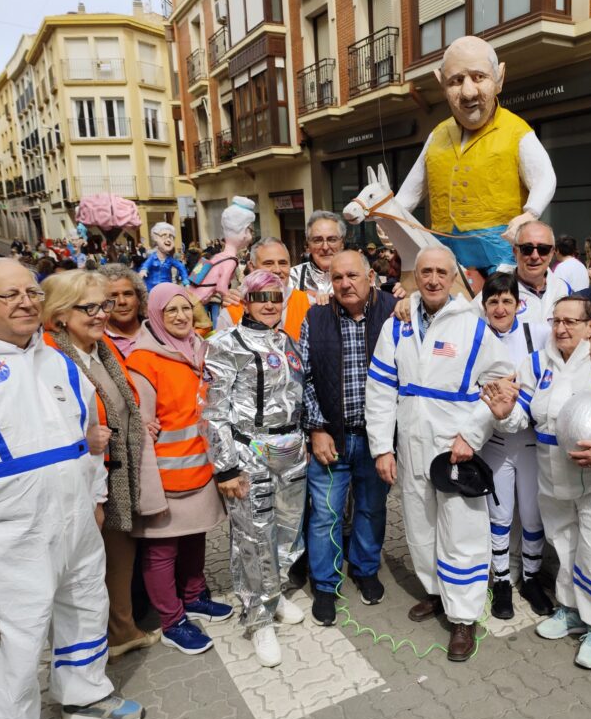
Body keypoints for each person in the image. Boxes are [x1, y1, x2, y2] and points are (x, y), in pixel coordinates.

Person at [0, 259, 143, 719]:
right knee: (13, 637)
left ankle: (83, 696)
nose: (25, 302)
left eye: (32, 293)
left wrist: (96, 498)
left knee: (85, 607)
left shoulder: (58, 363)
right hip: (8, 535)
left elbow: (87, 437)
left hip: (75, 519)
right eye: (10, 295)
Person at [481, 295, 591, 669]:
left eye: (570, 322)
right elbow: (523, 415)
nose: (561, 328)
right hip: (552, 476)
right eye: (556, 320)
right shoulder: (535, 363)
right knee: (565, 545)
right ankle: (571, 610)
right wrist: (504, 414)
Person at [366, 246, 512, 661]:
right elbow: (380, 388)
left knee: (461, 530)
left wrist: (472, 434)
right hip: (411, 443)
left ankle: (463, 616)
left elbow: (503, 388)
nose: (432, 279)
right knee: (420, 524)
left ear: (453, 278)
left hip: (454, 448)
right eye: (425, 271)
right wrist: (382, 447)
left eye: (441, 272)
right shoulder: (397, 324)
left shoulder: (474, 326)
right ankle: (436, 592)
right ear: (415, 276)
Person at [41, 270, 158, 659]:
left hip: (114, 475)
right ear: (60, 314)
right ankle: (97, 644)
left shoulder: (99, 347)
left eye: (103, 305)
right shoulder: (50, 359)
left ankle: (121, 629)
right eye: (88, 307)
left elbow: (118, 403)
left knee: (119, 556)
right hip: (84, 483)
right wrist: (80, 439)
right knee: (91, 567)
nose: (102, 314)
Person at [204, 270, 308, 667]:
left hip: (291, 448)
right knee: (254, 537)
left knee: (288, 533)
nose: (269, 305)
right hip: (251, 451)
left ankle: (275, 595)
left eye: (276, 297)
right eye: (260, 297)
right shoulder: (225, 344)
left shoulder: (287, 341)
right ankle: (258, 617)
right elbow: (213, 412)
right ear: (245, 301)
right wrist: (226, 467)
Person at [125, 284, 230, 656]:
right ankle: (172, 621)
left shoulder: (199, 349)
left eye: (186, 308)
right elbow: (141, 425)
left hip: (200, 468)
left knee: (194, 537)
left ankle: (194, 596)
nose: (181, 316)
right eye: (171, 311)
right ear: (155, 316)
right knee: (161, 551)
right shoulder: (144, 361)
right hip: (166, 475)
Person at [395, 36, 556, 273]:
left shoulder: (516, 131)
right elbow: (410, 191)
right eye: (456, 81)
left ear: (499, 77)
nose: (468, 92)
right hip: (445, 249)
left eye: (479, 77)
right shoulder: (437, 136)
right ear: (441, 83)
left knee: (499, 295)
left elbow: (544, 178)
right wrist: (391, 218)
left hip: (498, 248)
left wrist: (529, 214)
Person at [301, 250, 397, 626]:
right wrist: (316, 428)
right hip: (332, 437)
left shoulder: (393, 311)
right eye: (337, 277)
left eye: (352, 276)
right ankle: (325, 584)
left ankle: (364, 568)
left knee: (372, 508)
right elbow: (304, 376)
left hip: (377, 438)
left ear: (370, 277)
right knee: (325, 513)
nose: (345, 284)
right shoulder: (316, 317)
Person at [477, 272, 554, 619]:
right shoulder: (475, 335)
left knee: (533, 514)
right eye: (493, 301)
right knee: (501, 515)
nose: (500, 308)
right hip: (493, 441)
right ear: (484, 305)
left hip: (530, 441)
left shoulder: (535, 332)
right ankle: (503, 581)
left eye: (506, 301)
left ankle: (532, 578)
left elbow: (571, 337)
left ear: (518, 304)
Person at [474, 221, 573, 322]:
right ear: (515, 252)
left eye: (543, 249)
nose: (535, 256)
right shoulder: (493, 290)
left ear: (552, 253)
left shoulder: (564, 289)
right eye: (527, 249)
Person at [216, 237, 311, 340]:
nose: (277, 270)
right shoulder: (233, 309)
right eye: (268, 263)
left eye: (283, 263)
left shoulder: (308, 303)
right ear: (252, 267)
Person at [189, 196, 253, 323]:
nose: (250, 235)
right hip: (197, 301)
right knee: (205, 326)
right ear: (244, 232)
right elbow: (221, 286)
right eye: (250, 230)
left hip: (191, 296)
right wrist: (233, 297)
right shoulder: (231, 260)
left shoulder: (219, 256)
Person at [289, 211, 346, 298]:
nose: (325, 247)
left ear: (342, 243)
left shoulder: (358, 275)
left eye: (332, 239)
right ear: (308, 245)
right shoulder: (292, 277)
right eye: (318, 240)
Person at [100, 264, 148, 357]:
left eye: (128, 294)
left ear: (139, 298)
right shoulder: (94, 342)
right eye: (113, 296)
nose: (122, 301)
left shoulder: (158, 331)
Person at [139, 222, 190, 291]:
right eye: (164, 236)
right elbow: (146, 264)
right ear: (155, 237)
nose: (168, 240)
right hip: (152, 289)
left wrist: (186, 281)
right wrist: (144, 270)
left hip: (167, 289)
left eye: (171, 237)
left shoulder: (170, 259)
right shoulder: (152, 258)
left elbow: (181, 267)